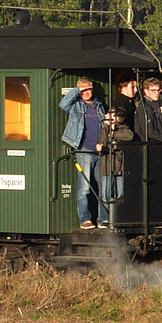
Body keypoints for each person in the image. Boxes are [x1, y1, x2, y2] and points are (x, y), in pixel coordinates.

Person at [58, 78, 108, 229]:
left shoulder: (99, 106)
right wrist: (77, 89)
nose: (86, 93)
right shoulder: (76, 106)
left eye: (89, 89)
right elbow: (63, 104)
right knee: (84, 188)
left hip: (100, 151)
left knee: (103, 187)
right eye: (83, 90)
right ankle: (85, 220)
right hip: (83, 151)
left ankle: (103, 219)